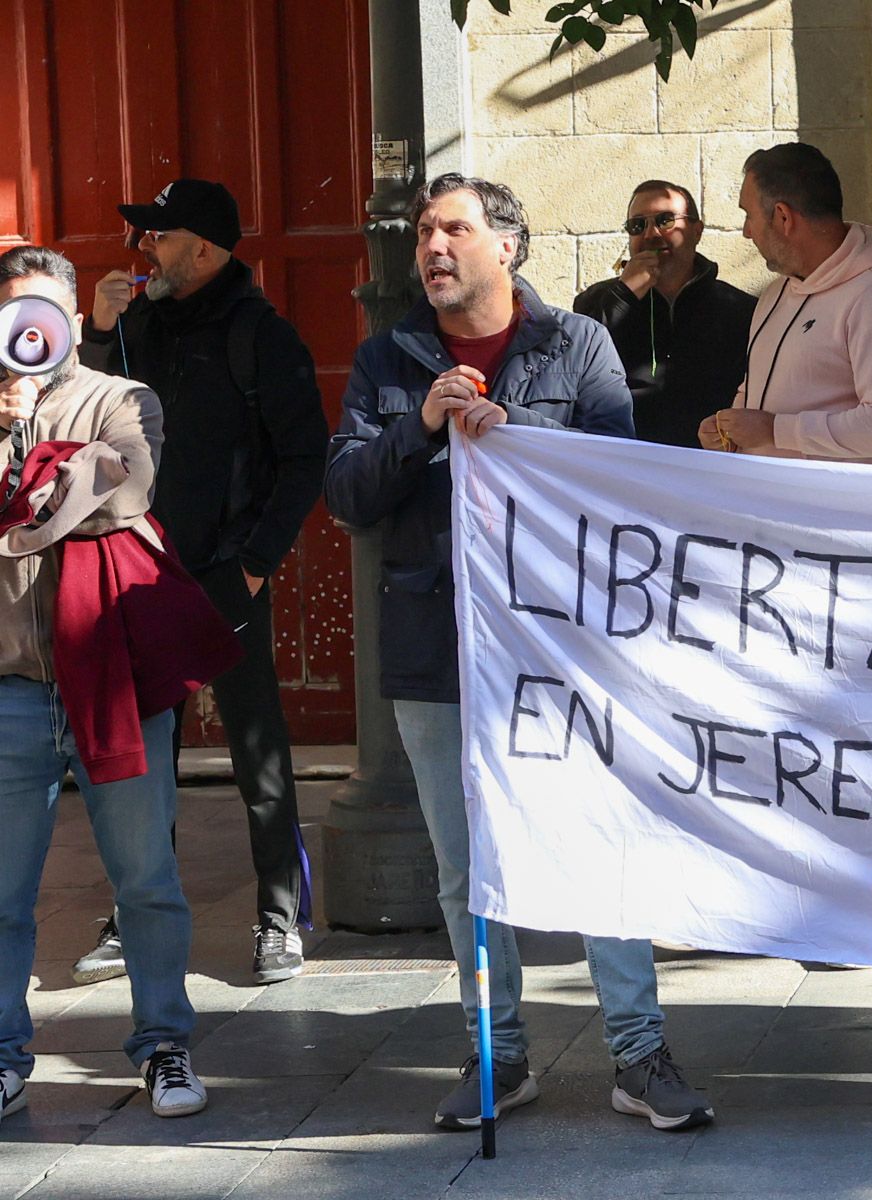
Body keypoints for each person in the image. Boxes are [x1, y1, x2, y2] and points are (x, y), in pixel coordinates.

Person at [325, 173, 711, 1132]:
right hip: (436, 648)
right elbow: (347, 496)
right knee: (465, 866)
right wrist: (420, 427)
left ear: (509, 246)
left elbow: (619, 477)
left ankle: (638, 1050)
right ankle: (495, 1050)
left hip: (563, 649)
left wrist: (520, 433)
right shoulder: (388, 359)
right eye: (423, 232)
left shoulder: (576, 344)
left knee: (598, 838)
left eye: (453, 228)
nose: (432, 247)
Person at [70, 179, 328, 987]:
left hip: (226, 574)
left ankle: (279, 915)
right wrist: (100, 333)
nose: (145, 249)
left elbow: (303, 458)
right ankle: (135, 913)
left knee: (257, 751)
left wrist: (253, 564)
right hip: (140, 573)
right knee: (145, 754)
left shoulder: (261, 335)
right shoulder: (138, 324)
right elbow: (83, 418)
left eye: (161, 236)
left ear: (206, 251)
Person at [0, 245, 215, 1120]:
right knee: (5, 891)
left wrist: (39, 465)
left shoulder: (122, 398)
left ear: (72, 315)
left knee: (146, 879)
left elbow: (128, 491)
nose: (32, 328)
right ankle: (6, 1055)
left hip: (111, 679)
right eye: (16, 311)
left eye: (47, 308)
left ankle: (164, 1045)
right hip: (10, 685)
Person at [702, 143, 872, 466]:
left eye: (748, 216)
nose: (747, 232)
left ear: (783, 217)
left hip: (842, 513)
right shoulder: (776, 293)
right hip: (773, 506)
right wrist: (729, 430)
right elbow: (760, 389)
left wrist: (776, 431)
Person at [573, 179, 754, 449]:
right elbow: (574, 367)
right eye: (638, 225)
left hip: (711, 465)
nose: (651, 234)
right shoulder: (594, 302)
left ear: (697, 231)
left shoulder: (741, 310)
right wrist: (624, 297)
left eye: (665, 220)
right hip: (623, 462)